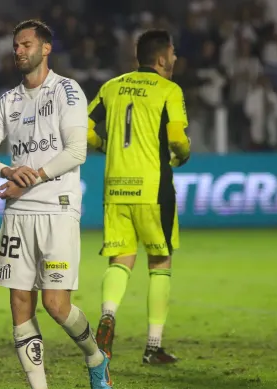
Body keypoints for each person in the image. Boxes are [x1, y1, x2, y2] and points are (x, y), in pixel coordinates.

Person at [0, 19, 113, 389]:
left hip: (57, 206)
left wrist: (28, 178)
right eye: (16, 45)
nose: (19, 50)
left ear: (45, 49)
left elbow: (76, 152)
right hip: (18, 212)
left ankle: (96, 359)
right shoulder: (9, 101)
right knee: (19, 303)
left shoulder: (68, 90)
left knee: (55, 304)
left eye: (26, 44)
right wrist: (4, 170)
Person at [85, 29, 191, 365]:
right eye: (172, 53)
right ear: (161, 58)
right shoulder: (168, 90)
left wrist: (103, 146)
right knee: (160, 263)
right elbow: (177, 138)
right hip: (153, 190)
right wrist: (183, 153)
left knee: (120, 261)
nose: (174, 59)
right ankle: (153, 347)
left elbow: (83, 128)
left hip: (116, 189)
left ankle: (107, 317)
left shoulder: (111, 87)